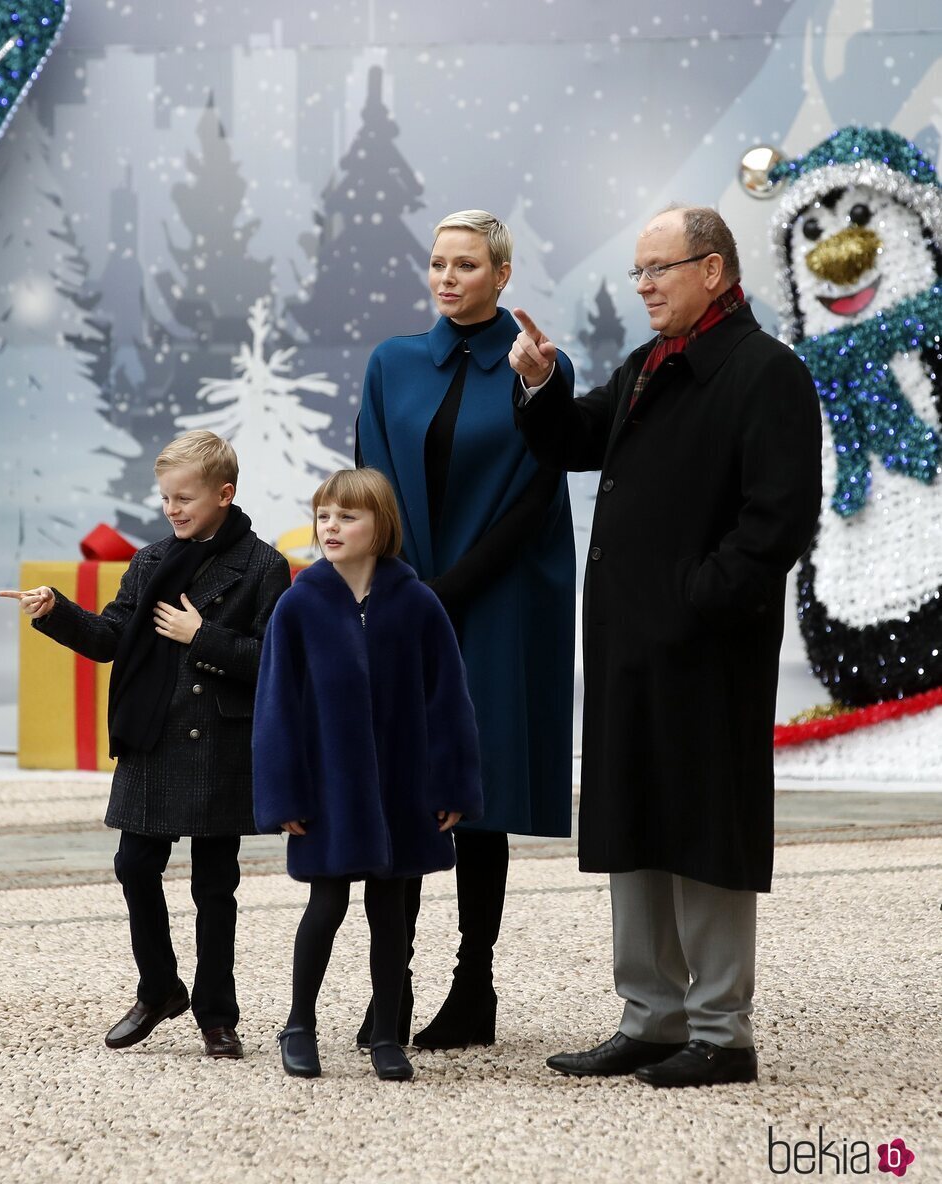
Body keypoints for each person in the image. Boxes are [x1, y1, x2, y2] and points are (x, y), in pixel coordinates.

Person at [509, 205, 822, 1087]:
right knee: (634, 818)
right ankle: (650, 1017)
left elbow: (777, 522)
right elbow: (571, 437)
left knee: (704, 826)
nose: (642, 285)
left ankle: (722, 1034)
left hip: (705, 646)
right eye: (638, 271)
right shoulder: (651, 365)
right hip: (629, 645)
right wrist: (537, 384)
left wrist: (697, 602)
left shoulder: (766, 374)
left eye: (659, 269)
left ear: (714, 271)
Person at [356, 210, 576, 1049]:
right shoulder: (392, 364)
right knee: (404, 789)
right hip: (411, 600)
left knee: (473, 796)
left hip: (495, 603)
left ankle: (473, 985)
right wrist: (404, 590)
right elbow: (371, 484)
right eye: (439, 263)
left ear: (503, 275)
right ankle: (392, 988)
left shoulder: (533, 367)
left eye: (468, 265)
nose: (449, 278)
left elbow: (534, 498)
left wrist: (450, 591)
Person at [0, 430, 290, 1060]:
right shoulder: (152, 559)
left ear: (225, 493)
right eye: (165, 499)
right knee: (134, 866)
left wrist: (201, 635)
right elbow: (110, 638)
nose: (172, 509)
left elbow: (276, 661)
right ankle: (160, 988)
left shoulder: (265, 566)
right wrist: (54, 610)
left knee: (215, 887)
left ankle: (217, 1014)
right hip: (152, 739)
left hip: (218, 743)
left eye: (184, 497)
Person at [252, 468, 483, 1082]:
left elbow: (449, 699)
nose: (331, 526)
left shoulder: (417, 603)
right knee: (324, 906)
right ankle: (298, 1024)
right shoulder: (298, 605)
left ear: (381, 528)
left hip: (404, 791)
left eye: (347, 516)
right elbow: (276, 705)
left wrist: (453, 785)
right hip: (327, 792)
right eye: (324, 514)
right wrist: (283, 795)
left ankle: (387, 1034)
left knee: (390, 914)